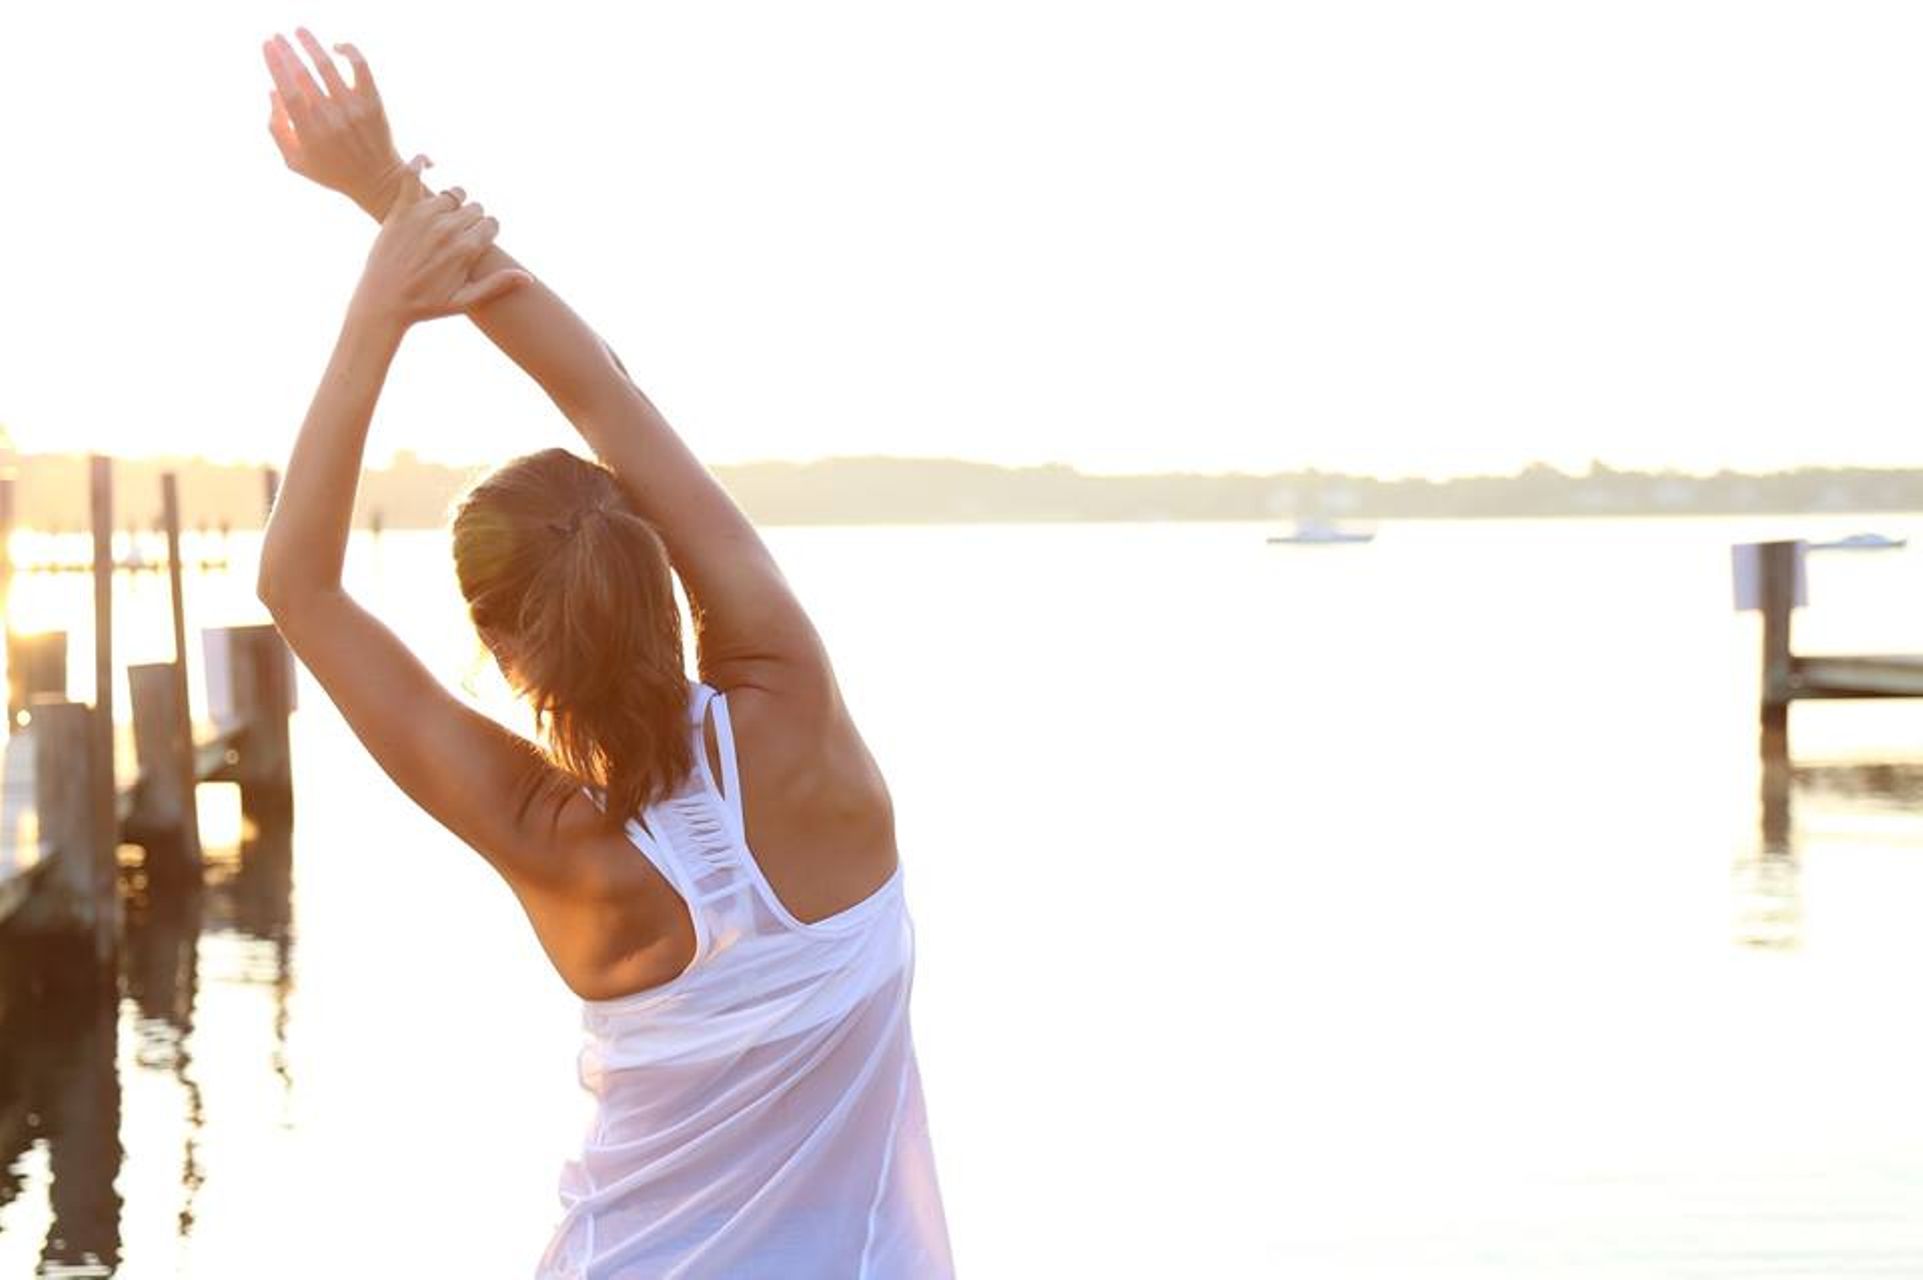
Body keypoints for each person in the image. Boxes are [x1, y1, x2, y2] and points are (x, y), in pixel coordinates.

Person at [256, 29, 956, 1278]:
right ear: (654, 561)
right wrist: (391, 199)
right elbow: (606, 394)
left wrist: (381, 295)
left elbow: (297, 588)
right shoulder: (795, 709)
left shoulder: (550, 836)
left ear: (501, 647)